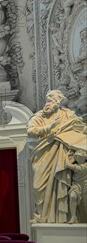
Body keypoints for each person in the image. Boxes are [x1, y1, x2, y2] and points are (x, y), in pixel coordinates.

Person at [27, 90, 87, 223]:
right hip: (43, 154)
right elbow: (30, 130)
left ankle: (62, 217)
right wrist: (49, 128)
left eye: (51, 99)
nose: (48, 102)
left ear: (58, 101)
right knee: (38, 186)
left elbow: (80, 127)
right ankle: (43, 214)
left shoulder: (68, 115)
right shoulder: (39, 116)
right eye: (47, 99)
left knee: (63, 184)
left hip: (62, 154)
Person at [66, 149, 87, 224]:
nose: (78, 159)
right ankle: (73, 216)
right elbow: (67, 165)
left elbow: (67, 164)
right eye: (77, 157)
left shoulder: (84, 166)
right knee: (72, 196)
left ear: (85, 158)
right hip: (76, 184)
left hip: (85, 185)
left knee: (85, 204)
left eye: (80, 157)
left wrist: (67, 155)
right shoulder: (76, 165)